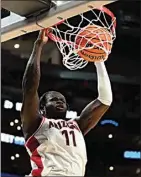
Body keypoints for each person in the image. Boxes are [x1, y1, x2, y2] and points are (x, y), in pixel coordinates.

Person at [21, 29, 113, 176]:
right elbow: (30, 88)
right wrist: (38, 46)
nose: (60, 102)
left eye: (62, 100)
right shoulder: (35, 124)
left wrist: (99, 61)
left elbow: (105, 100)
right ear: (42, 108)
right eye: (54, 99)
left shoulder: (77, 125)